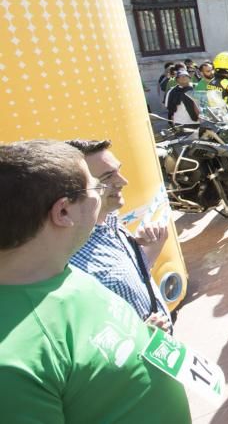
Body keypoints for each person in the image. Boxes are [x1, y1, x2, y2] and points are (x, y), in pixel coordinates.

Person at [0, 140, 191, 422]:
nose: (106, 192)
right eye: (95, 186)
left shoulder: (58, 269)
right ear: (63, 212)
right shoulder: (11, 366)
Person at [67, 139, 172, 331]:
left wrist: (149, 248)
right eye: (107, 177)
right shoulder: (68, 256)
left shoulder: (110, 219)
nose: (123, 182)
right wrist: (137, 334)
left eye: (118, 170)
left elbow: (130, 279)